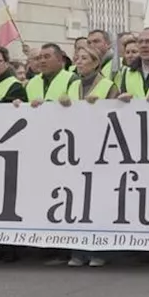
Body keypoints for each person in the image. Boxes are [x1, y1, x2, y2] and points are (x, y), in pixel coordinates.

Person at [58, 45, 118, 268]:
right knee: (76, 201)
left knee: (97, 201)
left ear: (96, 63)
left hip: (100, 149)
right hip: (74, 149)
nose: (79, 62)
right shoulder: (72, 85)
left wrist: (101, 106)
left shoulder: (108, 85)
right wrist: (61, 102)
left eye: (85, 58)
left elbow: (117, 112)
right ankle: (78, 250)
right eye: (78, 58)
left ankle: (98, 250)